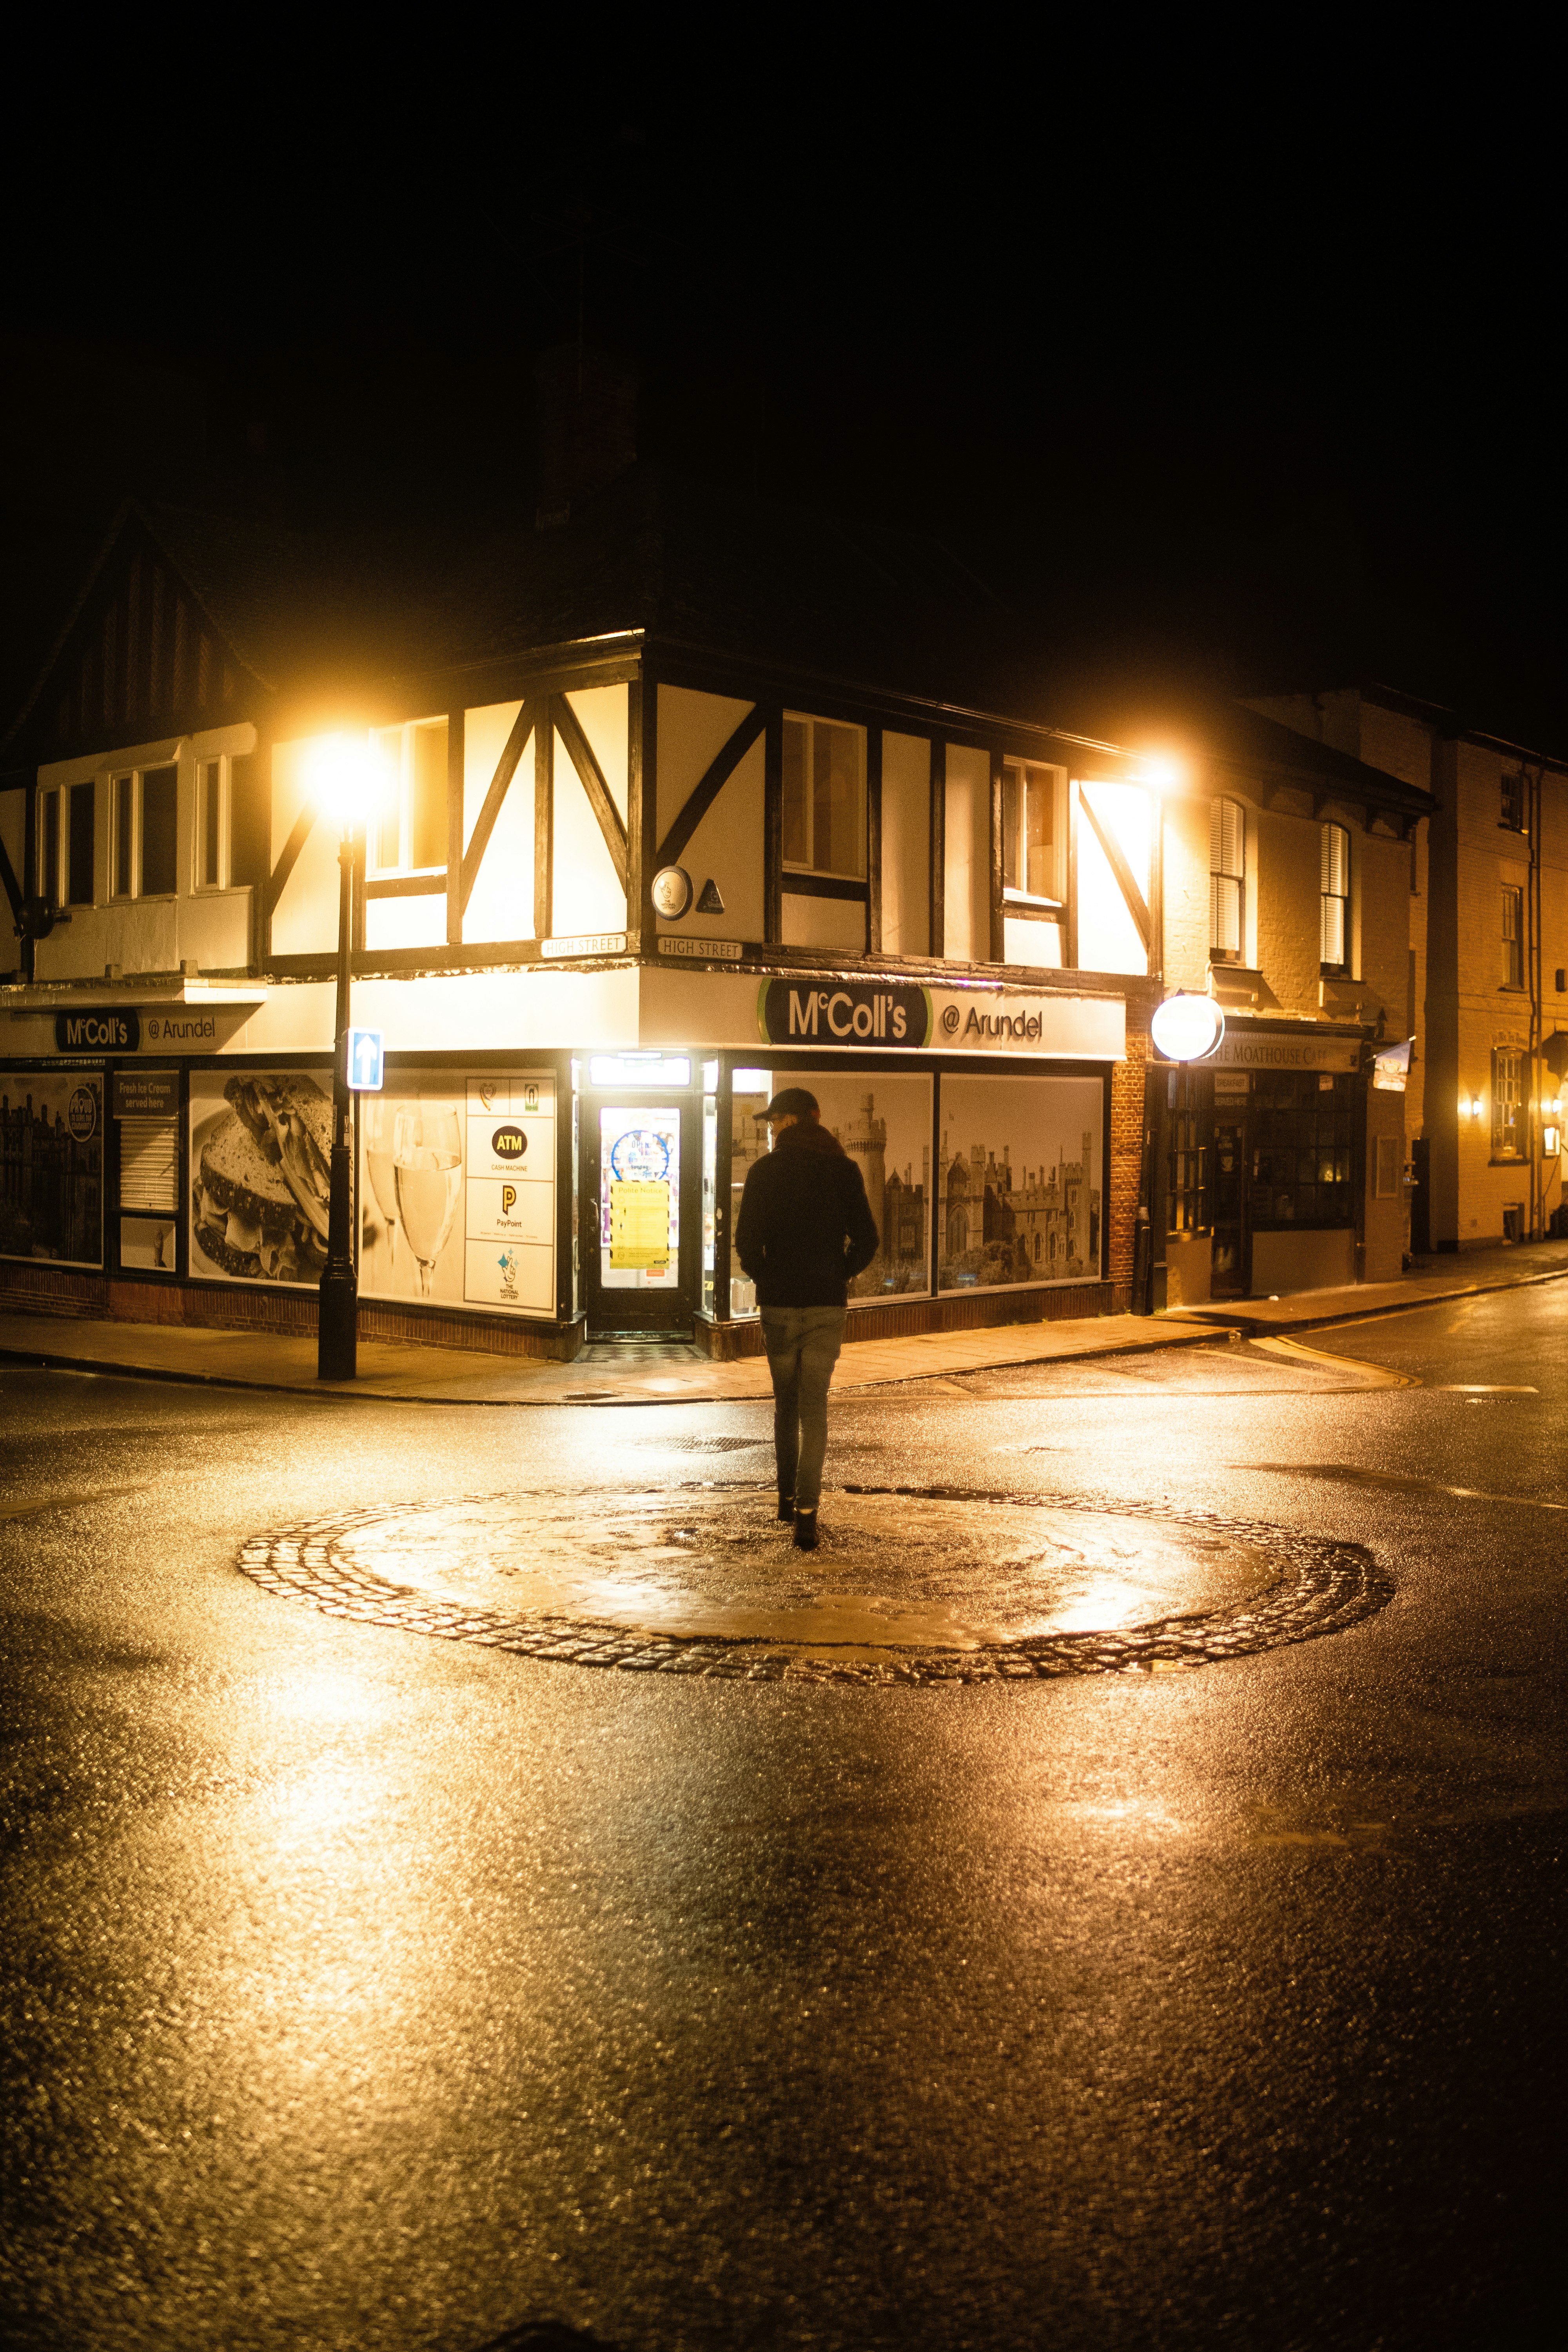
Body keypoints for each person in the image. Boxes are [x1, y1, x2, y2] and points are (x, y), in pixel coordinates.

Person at [734, 1088, 879, 1550]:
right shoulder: (843, 1171)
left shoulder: (763, 1173)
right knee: (814, 1411)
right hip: (824, 1307)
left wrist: (770, 1277)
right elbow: (868, 1241)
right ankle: (806, 1517)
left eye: (775, 1121)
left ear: (794, 1121)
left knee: (786, 1406)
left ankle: (785, 1496)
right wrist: (838, 1274)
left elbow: (745, 1245)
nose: (771, 1130)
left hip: (778, 1306)